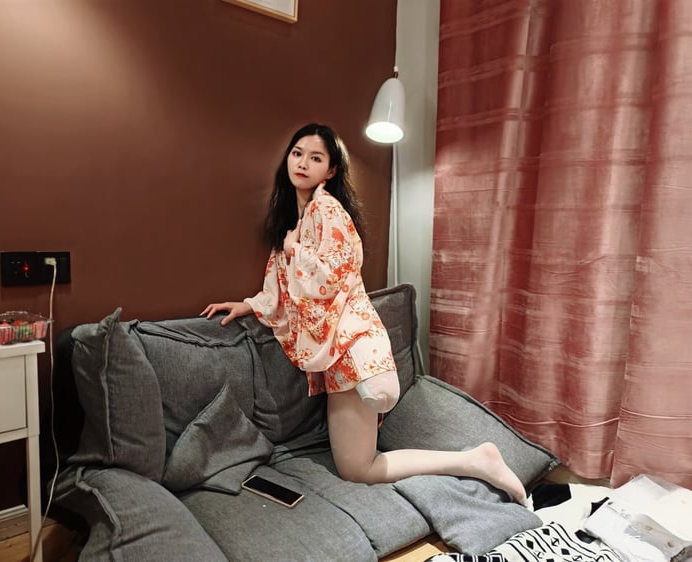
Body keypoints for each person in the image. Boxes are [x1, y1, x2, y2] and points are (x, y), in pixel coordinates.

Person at [202, 123, 527, 505]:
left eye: (315, 157)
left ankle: (467, 454)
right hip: (335, 359)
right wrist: (250, 304)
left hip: (352, 341)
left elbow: (336, 271)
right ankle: (475, 461)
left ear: (330, 170)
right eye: (297, 153)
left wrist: (295, 252)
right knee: (357, 468)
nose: (303, 163)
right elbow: (283, 289)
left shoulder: (327, 209)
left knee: (370, 433)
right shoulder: (293, 221)